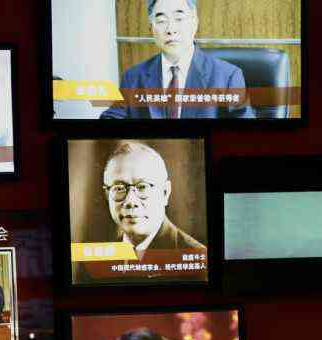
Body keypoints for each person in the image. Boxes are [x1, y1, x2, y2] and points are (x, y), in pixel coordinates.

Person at [100, 0, 252, 120]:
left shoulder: (228, 77)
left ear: (194, 22)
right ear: (152, 29)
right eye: (161, 20)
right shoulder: (133, 77)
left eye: (179, 18)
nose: (170, 29)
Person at [100, 141, 204, 262]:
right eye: (119, 188)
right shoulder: (99, 259)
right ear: (107, 194)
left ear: (165, 193)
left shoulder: (199, 259)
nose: (130, 201)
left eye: (142, 187)